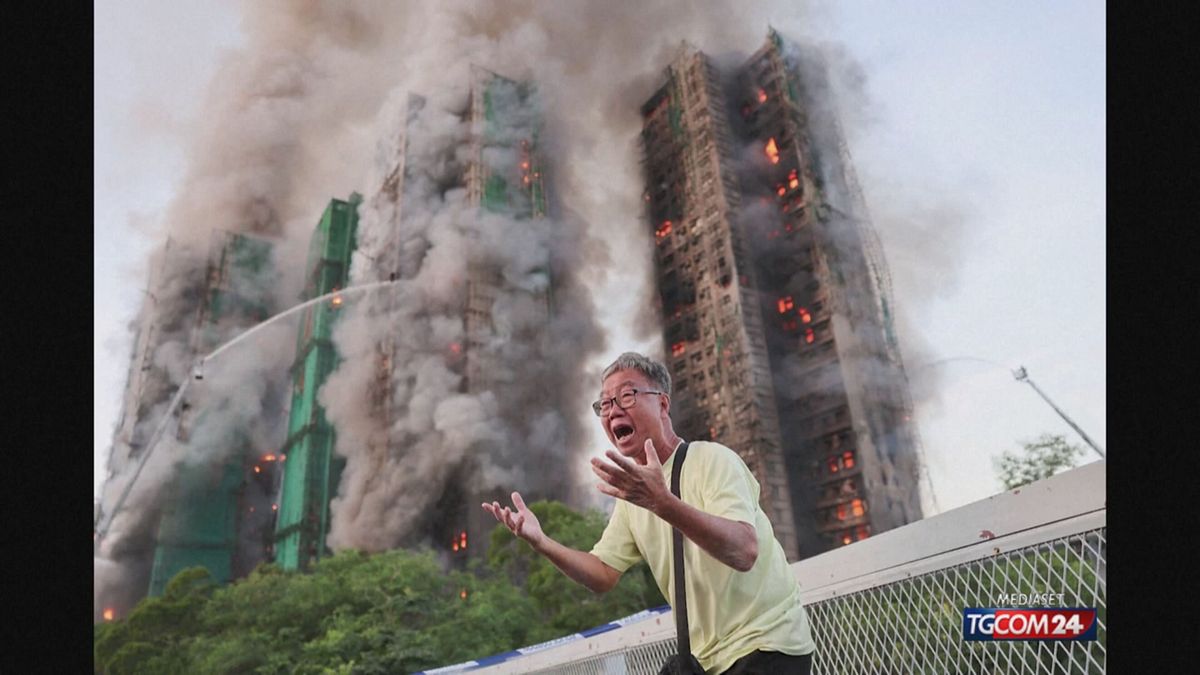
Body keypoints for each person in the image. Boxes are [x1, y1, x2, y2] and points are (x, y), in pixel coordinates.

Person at [483, 351, 816, 674]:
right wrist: (542, 542)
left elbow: (744, 551)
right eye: (605, 403)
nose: (613, 410)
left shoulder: (711, 460)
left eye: (627, 396)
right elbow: (602, 574)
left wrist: (663, 503)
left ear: (662, 403)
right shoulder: (633, 498)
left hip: (766, 646)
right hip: (705, 661)